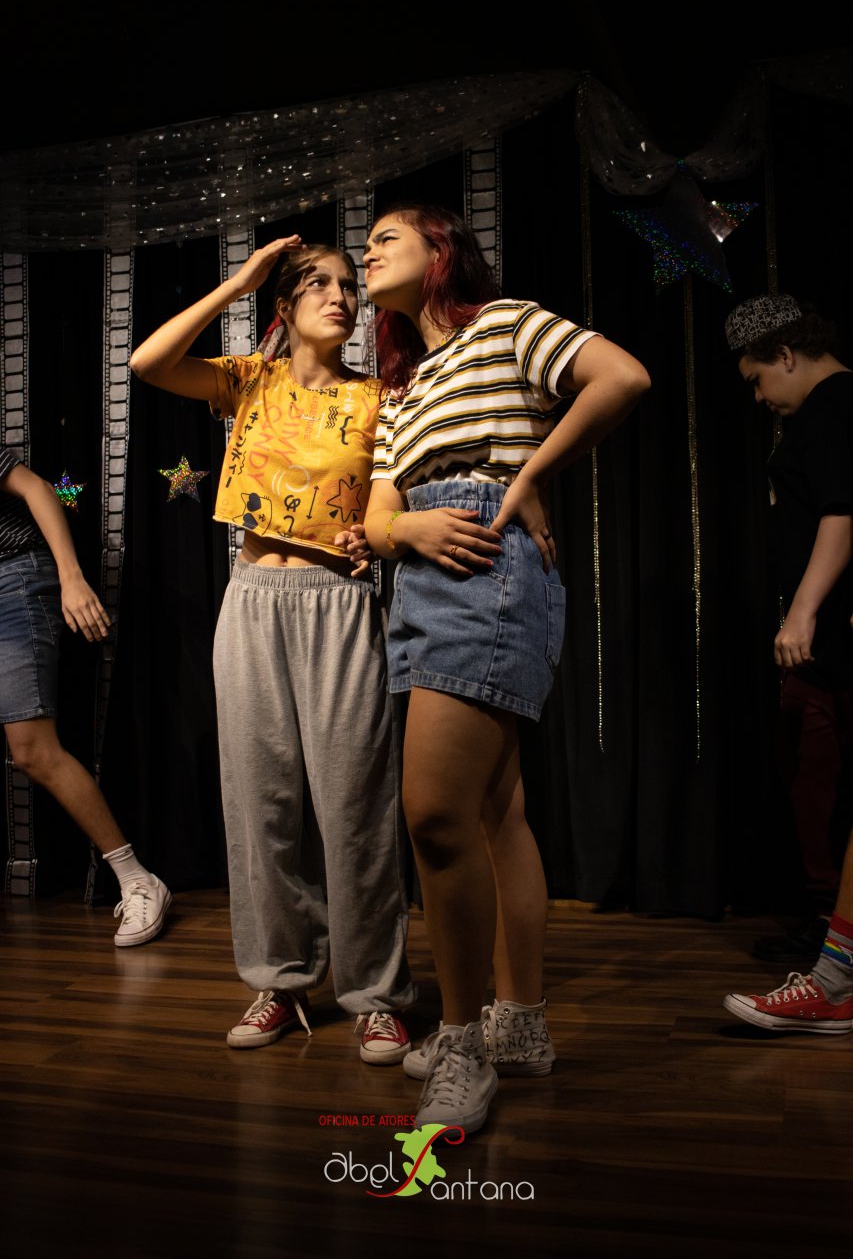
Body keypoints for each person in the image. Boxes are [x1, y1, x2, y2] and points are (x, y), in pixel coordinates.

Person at [358, 204, 650, 1130]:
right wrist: (406, 528)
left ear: (440, 250)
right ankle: (517, 1024)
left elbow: (621, 376)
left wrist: (526, 479)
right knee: (492, 811)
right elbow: (374, 516)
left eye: (385, 238)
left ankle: (460, 1044)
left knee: (433, 813)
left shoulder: (504, 323)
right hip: (420, 575)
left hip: (487, 560)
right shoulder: (400, 388)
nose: (367, 253)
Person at [130, 237, 415, 1063]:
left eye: (349, 285)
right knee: (261, 805)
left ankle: (374, 995)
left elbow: (394, 501)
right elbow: (149, 362)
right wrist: (242, 282)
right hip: (253, 600)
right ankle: (280, 981)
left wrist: (377, 535)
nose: (341, 296)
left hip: (338, 605)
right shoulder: (249, 381)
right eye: (318, 284)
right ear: (284, 307)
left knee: (354, 808)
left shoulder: (380, 398)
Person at [721, 293, 853, 1031]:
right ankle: (832, 934)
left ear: (785, 355)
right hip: (825, 641)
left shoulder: (834, 404)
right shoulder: (821, 412)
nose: (759, 397)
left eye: (757, 379)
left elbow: (841, 513)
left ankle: (836, 959)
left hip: (832, 632)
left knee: (820, 767)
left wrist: (801, 612)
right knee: (809, 767)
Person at [0, 450, 170, 945]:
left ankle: (138, 879)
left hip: (11, 576)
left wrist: (70, 578)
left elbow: (36, 488)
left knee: (33, 750)